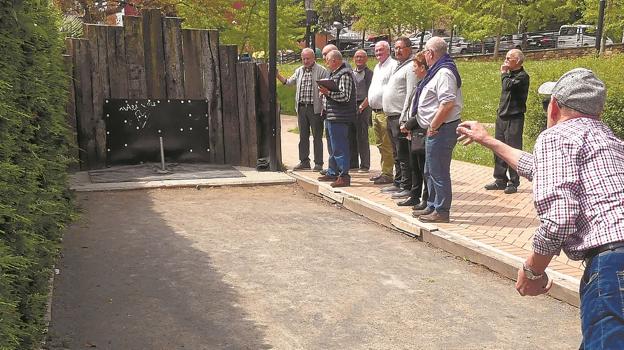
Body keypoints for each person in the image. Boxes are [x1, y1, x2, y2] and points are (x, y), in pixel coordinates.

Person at [456, 68, 624, 349]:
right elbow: (538, 168)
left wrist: (533, 270)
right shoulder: (612, 144)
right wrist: (488, 140)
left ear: (555, 106)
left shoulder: (557, 136)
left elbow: (559, 217)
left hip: (613, 266)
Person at [411, 36, 462, 223]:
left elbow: (447, 103)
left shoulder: (444, 73)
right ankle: (432, 205)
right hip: (436, 128)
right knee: (430, 170)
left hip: (442, 129)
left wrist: (433, 125)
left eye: (425, 51)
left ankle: (441, 210)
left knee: (438, 170)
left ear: (430, 53)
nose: (424, 54)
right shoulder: (437, 71)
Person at [484, 49, 529, 194]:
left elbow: (508, 86)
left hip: (514, 117)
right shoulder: (509, 76)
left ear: (517, 61)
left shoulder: (522, 77)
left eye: (509, 58)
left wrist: (503, 74)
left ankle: (513, 181)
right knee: (498, 148)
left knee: (513, 149)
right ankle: (500, 179)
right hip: (502, 116)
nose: (505, 60)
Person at [277, 48, 329, 171]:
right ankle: (304, 161)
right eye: (303, 59)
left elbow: (327, 88)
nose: (305, 61)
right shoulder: (299, 70)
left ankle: (318, 163)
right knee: (303, 136)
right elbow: (289, 82)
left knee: (317, 137)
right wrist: (278, 75)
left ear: (314, 58)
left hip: (315, 109)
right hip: (301, 108)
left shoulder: (322, 71)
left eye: (308, 58)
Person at [382, 37, 417, 199]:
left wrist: (405, 119)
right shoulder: (398, 66)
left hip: (400, 117)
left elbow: (411, 93)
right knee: (396, 152)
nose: (397, 51)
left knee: (403, 153)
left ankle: (406, 184)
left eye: (401, 48)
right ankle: (398, 182)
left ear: (410, 48)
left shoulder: (410, 67)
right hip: (391, 116)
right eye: (395, 48)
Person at [317, 50, 357, 187]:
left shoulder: (345, 74)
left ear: (335, 61)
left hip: (340, 117)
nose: (326, 63)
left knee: (340, 147)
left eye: (327, 60)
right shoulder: (333, 73)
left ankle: (344, 176)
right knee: (333, 147)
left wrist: (327, 92)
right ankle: (332, 172)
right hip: (330, 115)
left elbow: (345, 96)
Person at [399, 51, 429, 209]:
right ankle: (414, 195)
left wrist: (408, 125)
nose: (413, 70)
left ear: (423, 67)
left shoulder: (427, 84)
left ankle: (426, 199)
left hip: (422, 130)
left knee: (424, 167)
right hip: (413, 131)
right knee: (414, 167)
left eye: (415, 67)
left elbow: (423, 112)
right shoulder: (420, 84)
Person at [367, 41, 397, 185]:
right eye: (376, 51)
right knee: (380, 144)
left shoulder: (393, 65)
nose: (378, 53)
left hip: (386, 111)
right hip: (375, 111)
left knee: (387, 144)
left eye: (381, 50)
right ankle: (385, 171)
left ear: (388, 51)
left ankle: (388, 174)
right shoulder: (378, 67)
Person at [352, 49, 373, 172]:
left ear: (366, 59)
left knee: (362, 136)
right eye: (357, 57)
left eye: (361, 57)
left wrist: (363, 106)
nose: (359, 59)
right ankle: (353, 163)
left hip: (364, 106)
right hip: (351, 106)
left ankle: (365, 165)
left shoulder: (369, 73)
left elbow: (371, 92)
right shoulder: (351, 73)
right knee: (351, 135)